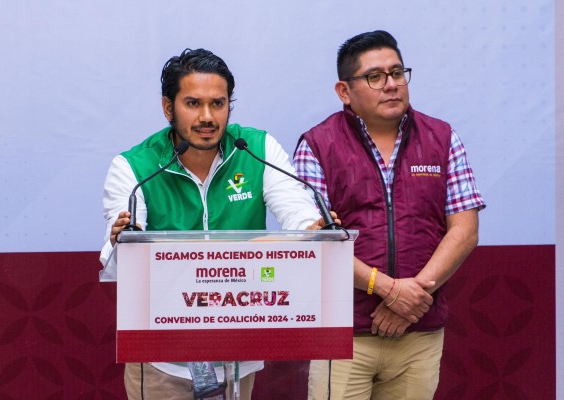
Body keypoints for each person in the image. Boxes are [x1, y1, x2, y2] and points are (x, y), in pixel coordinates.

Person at [99, 48, 334, 400]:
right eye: (193, 104)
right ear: (168, 108)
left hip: (239, 353)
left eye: (218, 104)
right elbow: (120, 264)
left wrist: (315, 231)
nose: (207, 117)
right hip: (164, 358)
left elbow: (300, 219)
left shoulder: (256, 149)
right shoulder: (134, 168)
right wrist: (122, 243)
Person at [293, 30, 486, 399]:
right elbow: (316, 241)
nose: (392, 84)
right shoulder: (317, 145)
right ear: (344, 91)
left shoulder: (442, 138)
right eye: (375, 77)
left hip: (419, 332)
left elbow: (465, 231)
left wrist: (410, 301)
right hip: (344, 334)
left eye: (397, 73)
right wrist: (388, 289)